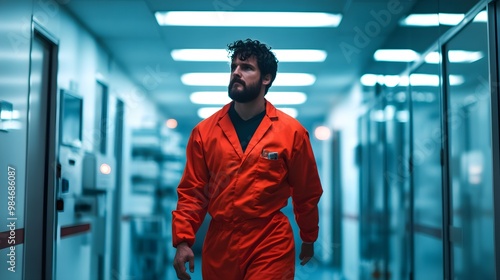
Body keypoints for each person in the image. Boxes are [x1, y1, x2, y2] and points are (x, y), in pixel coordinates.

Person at [172, 38, 323, 280]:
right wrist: (183, 241)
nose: (236, 73)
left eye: (247, 68)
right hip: (220, 244)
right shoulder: (204, 132)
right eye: (233, 67)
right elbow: (193, 192)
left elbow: (307, 192)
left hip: (270, 239)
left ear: (267, 78)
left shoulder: (291, 133)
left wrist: (308, 235)